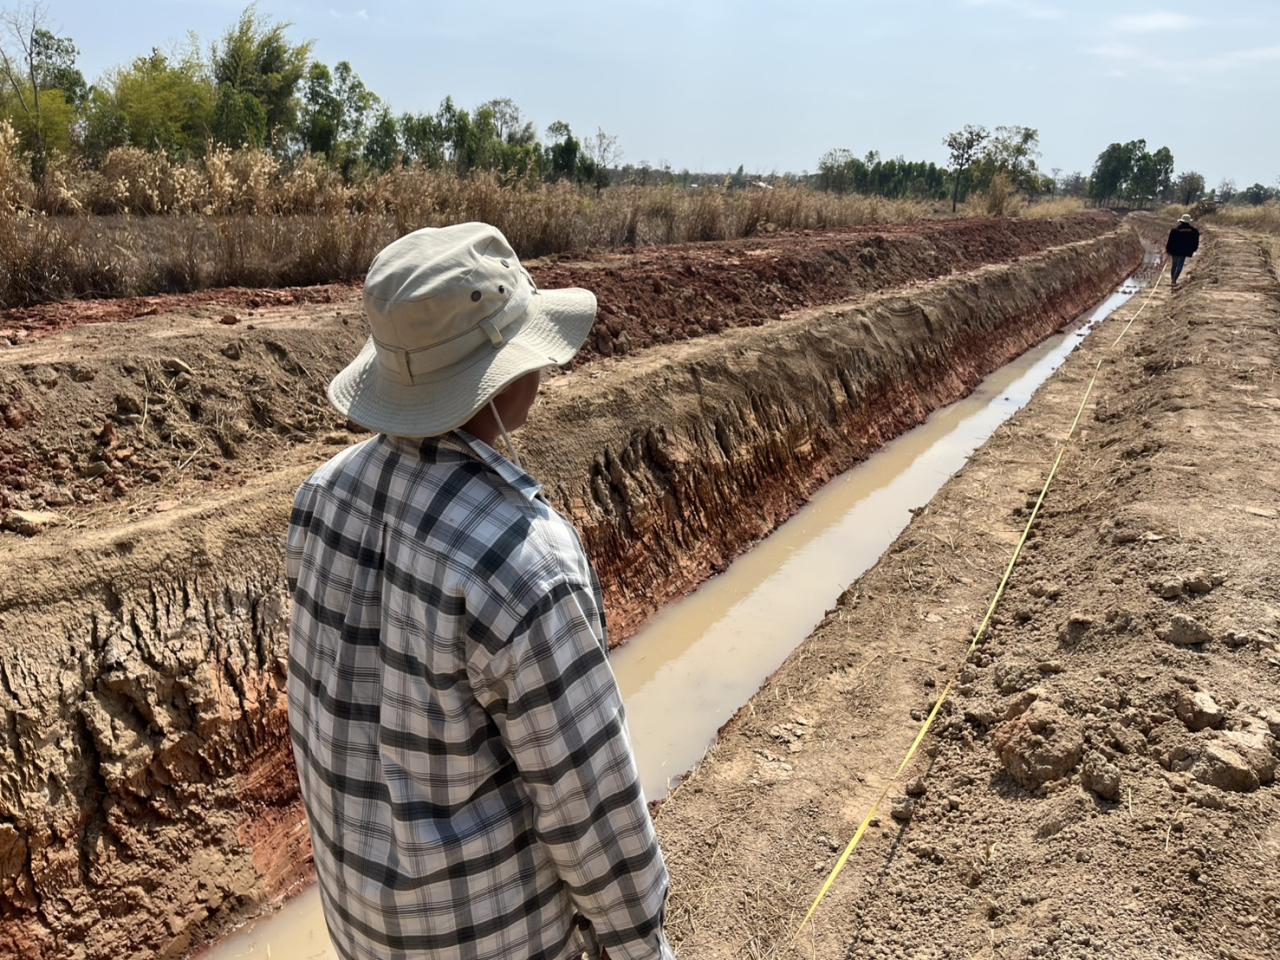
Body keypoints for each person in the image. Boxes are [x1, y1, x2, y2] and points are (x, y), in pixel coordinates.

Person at [286, 222, 673, 960]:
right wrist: (641, 947)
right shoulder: (522, 560)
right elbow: (591, 806)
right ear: (500, 375)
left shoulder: (323, 495)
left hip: (365, 932)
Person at [1166, 213, 1200, 286]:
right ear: (1189, 222)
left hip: (1174, 250)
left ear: (1181, 221)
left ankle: (1173, 280)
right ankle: (1174, 280)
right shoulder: (1194, 231)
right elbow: (1196, 242)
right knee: (1180, 265)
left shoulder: (1174, 230)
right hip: (1184, 251)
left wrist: (1168, 250)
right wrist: (1194, 249)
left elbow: (1170, 241)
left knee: (1174, 264)